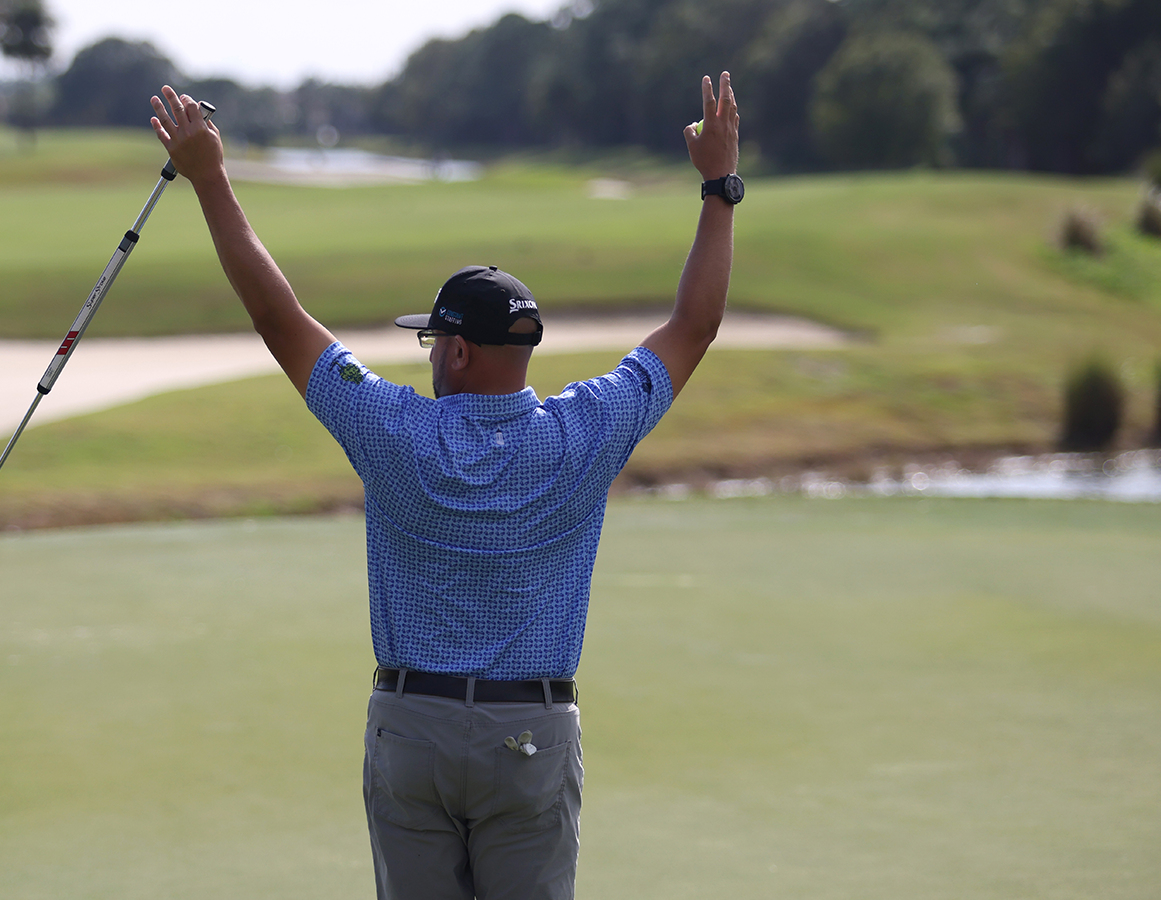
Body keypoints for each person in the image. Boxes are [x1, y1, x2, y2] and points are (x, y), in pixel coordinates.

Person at [150, 72, 740, 900]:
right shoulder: (587, 429)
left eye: (433, 342)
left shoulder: (392, 430)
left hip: (412, 730)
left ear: (458, 352)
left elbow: (278, 317)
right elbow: (696, 324)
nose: (428, 356)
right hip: (530, 733)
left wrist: (210, 179)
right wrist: (719, 187)